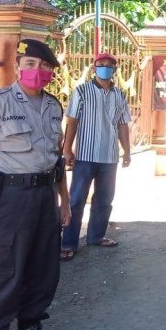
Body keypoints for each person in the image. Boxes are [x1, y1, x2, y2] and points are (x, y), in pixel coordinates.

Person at [0, 39, 71, 330]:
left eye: (45, 66)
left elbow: (56, 160)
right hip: (11, 199)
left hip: (45, 197)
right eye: (31, 63)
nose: (38, 70)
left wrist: (65, 202)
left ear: (51, 72)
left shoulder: (53, 106)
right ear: (17, 66)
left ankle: (30, 325)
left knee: (43, 268)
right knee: (6, 271)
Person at [60, 52, 131, 261]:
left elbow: (122, 124)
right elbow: (72, 121)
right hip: (85, 155)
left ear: (115, 70)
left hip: (109, 156)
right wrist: (67, 149)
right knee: (76, 200)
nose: (106, 68)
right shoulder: (81, 91)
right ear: (94, 68)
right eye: (102, 64)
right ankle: (68, 242)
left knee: (104, 199)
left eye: (110, 65)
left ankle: (96, 236)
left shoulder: (119, 95)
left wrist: (126, 151)